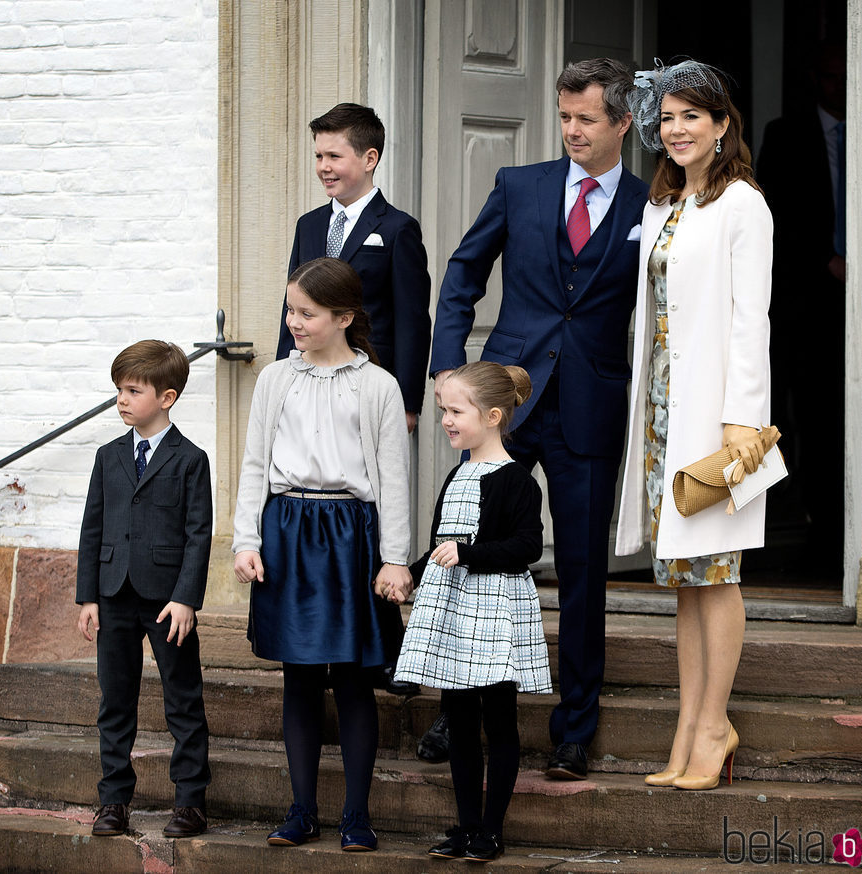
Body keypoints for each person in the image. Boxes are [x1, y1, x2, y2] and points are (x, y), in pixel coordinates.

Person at [427, 58, 649, 780]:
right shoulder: (519, 186)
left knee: (584, 570)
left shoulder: (652, 209)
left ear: (621, 122)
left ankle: (573, 727)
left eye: (587, 118)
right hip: (507, 401)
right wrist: (447, 367)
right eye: (564, 117)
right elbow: (464, 270)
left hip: (590, 405)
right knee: (472, 551)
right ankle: (451, 707)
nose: (572, 130)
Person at [615, 60, 773, 790]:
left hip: (715, 419)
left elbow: (751, 322)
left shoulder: (744, 204)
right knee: (684, 578)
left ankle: (715, 725)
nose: (676, 130)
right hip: (662, 416)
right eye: (667, 118)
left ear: (721, 125)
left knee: (719, 572)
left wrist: (741, 423)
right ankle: (689, 725)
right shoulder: (664, 205)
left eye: (691, 117)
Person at [233, 257, 412, 852]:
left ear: (344, 317)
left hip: (351, 534)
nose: (293, 323)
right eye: (290, 311)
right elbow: (255, 464)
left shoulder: (378, 385)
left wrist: (394, 558)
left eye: (306, 314)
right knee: (300, 679)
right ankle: (302, 809)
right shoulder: (275, 380)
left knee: (357, 681)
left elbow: (393, 478)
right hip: (287, 531)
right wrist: (246, 540)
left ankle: (357, 816)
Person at [389, 362, 549, 862]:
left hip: (495, 612)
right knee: (458, 721)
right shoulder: (457, 473)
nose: (447, 421)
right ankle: (465, 824)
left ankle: (492, 830)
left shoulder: (517, 481)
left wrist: (470, 552)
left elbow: (526, 547)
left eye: (456, 411)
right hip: (456, 614)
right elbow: (444, 543)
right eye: (444, 411)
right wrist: (409, 572)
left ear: (493, 415)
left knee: (498, 720)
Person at [76, 340, 213, 839]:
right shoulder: (107, 456)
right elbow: (92, 528)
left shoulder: (190, 459)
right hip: (113, 594)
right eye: (119, 390)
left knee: (182, 700)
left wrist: (186, 598)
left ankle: (191, 803)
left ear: (167, 397)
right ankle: (113, 801)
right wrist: (87, 596)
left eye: (133, 390)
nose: (122, 400)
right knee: (116, 700)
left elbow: (199, 532)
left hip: (166, 600)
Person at [276, 102, 431, 433]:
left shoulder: (398, 229)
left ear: (369, 159)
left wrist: (407, 402)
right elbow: (291, 308)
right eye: (319, 156)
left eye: (334, 157)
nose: (324, 167)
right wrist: (282, 380)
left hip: (369, 381)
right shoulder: (309, 225)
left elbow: (411, 321)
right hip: (307, 377)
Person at [757, 42, 845, 569]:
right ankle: (771, 535)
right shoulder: (785, 135)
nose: (838, 87)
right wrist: (825, 261)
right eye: (829, 77)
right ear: (815, 79)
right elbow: (774, 218)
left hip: (854, 306)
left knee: (831, 420)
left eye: (844, 77)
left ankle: (831, 536)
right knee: (783, 417)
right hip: (796, 304)